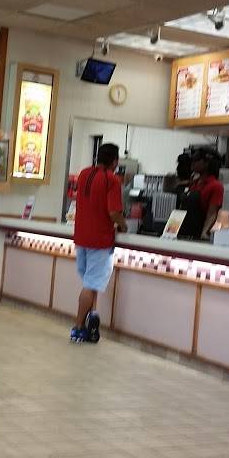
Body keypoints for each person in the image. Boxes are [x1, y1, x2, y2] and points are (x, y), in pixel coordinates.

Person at [71, 143, 127, 343]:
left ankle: (90, 322)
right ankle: (78, 327)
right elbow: (114, 212)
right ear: (115, 161)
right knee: (90, 284)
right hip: (100, 239)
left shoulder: (84, 174)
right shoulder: (112, 179)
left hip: (81, 236)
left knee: (89, 282)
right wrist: (123, 225)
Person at [188, 147, 225, 240]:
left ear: (207, 163)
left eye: (196, 159)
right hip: (185, 229)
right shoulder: (194, 183)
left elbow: (212, 213)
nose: (192, 162)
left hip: (198, 232)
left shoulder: (215, 186)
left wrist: (204, 232)